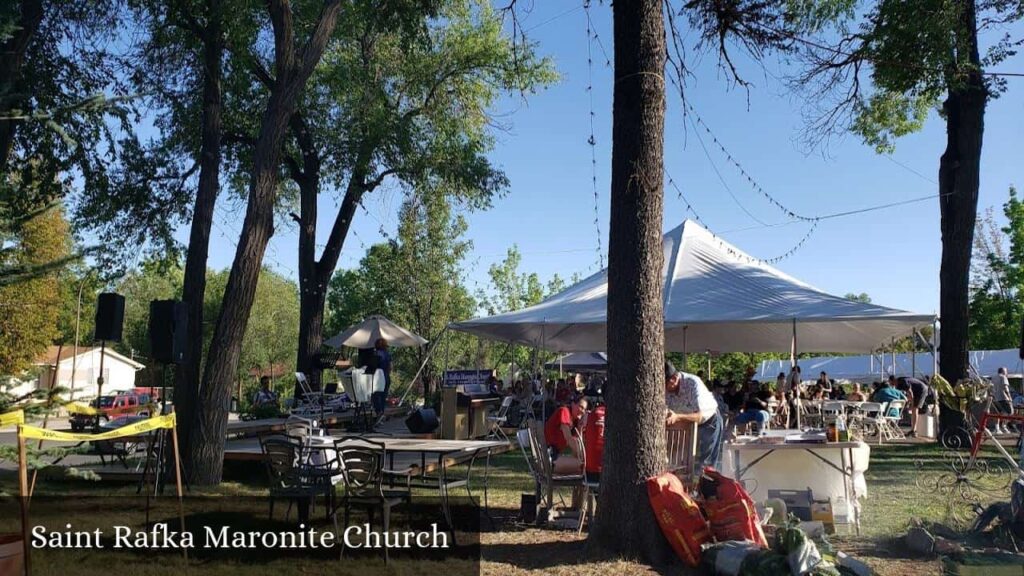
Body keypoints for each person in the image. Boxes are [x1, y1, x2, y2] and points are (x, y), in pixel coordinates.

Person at [665, 361, 722, 469]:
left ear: (674, 378)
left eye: (665, 384)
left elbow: (699, 416)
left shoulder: (692, 383)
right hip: (686, 424)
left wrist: (677, 417)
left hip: (708, 422)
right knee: (682, 462)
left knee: (705, 465)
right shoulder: (666, 389)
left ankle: (705, 483)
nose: (664, 388)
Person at [544, 393, 588, 474]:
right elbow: (568, 439)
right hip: (548, 457)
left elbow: (578, 444)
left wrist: (580, 428)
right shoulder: (564, 411)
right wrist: (583, 457)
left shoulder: (574, 421)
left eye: (585, 409)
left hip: (553, 456)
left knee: (581, 466)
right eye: (581, 407)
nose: (583, 411)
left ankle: (582, 484)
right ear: (573, 404)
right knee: (582, 467)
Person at [583, 400, 606, 483]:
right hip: (606, 473)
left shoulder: (589, 415)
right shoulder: (616, 416)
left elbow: (581, 439)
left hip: (588, 472)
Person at [371, 338, 392, 415]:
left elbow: (372, 367)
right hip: (386, 377)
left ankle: (378, 413)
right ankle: (382, 413)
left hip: (377, 378)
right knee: (383, 396)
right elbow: (390, 367)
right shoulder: (388, 354)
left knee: (376, 395)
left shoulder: (375, 354)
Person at [992, 367, 1013, 434]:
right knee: (1010, 412)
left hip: (995, 398)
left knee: (997, 413)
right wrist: (1009, 397)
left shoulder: (993, 378)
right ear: (1003, 371)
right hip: (1003, 398)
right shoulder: (1003, 377)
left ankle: (997, 429)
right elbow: (1005, 388)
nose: (1007, 373)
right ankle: (1004, 426)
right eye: (1006, 371)